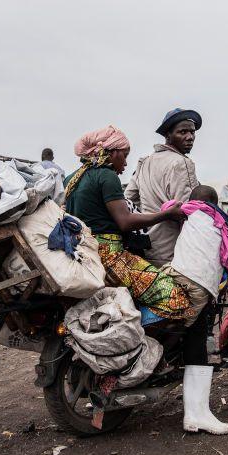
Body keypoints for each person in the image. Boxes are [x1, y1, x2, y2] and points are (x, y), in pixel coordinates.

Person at [63, 125, 189, 323]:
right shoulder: (106, 175)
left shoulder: (72, 178)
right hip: (110, 256)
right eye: (124, 154)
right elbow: (125, 221)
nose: (126, 161)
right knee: (175, 298)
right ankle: (134, 334)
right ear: (112, 153)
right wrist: (166, 214)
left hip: (82, 255)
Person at [161, 184, 228, 435]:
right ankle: (196, 414)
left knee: (185, 328)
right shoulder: (220, 220)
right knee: (189, 332)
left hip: (174, 273)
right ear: (216, 203)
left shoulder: (187, 210)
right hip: (199, 284)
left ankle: (195, 412)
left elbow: (168, 207)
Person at [124, 108, 201, 267]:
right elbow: (190, 211)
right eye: (183, 132)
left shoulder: (145, 161)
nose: (190, 137)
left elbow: (128, 199)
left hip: (147, 247)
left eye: (192, 132)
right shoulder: (182, 163)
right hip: (174, 251)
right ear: (168, 135)